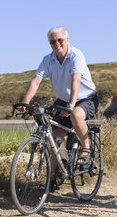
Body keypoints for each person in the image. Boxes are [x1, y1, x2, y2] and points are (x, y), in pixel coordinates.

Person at [18, 26, 99, 190]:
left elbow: (75, 81)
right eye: (52, 41)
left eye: (60, 40)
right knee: (55, 137)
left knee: (76, 115)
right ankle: (53, 178)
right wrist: (25, 103)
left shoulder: (76, 55)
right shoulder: (48, 59)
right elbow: (36, 81)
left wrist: (70, 106)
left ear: (67, 40)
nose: (57, 44)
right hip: (63, 99)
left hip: (85, 98)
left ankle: (86, 149)